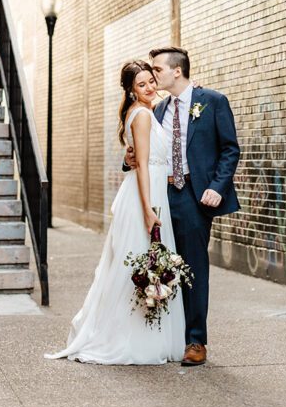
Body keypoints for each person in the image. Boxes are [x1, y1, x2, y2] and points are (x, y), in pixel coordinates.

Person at [45, 60, 185, 365]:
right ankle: (132, 338)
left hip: (148, 190)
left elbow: (139, 160)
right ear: (131, 90)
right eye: (141, 85)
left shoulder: (142, 112)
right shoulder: (143, 115)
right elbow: (144, 165)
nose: (149, 88)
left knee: (137, 263)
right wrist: (149, 209)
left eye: (151, 81)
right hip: (145, 196)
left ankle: (144, 332)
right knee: (136, 263)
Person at [125, 46, 240, 367]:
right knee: (158, 265)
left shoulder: (213, 102)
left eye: (157, 69)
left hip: (194, 195)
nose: (153, 74)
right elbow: (145, 153)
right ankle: (165, 335)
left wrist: (217, 187)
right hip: (162, 196)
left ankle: (195, 340)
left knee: (192, 268)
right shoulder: (156, 110)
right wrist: (128, 157)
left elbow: (230, 149)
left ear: (177, 71)